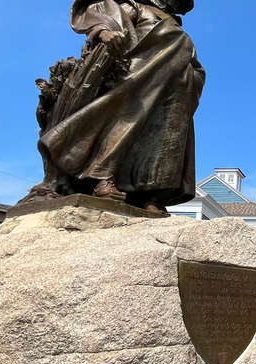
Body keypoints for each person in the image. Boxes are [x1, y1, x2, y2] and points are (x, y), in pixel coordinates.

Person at [20, 0, 205, 213]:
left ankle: (149, 193)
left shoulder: (174, 23)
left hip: (172, 91)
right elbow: (102, 18)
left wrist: (191, 76)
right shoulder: (139, 7)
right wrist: (102, 32)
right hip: (137, 80)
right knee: (120, 125)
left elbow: (192, 61)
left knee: (161, 140)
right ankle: (102, 178)